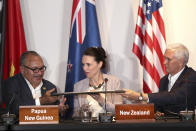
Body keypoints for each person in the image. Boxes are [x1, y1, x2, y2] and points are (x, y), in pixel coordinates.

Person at [122, 43, 196, 115]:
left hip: (185, 125)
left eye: (168, 59)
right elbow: (161, 105)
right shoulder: (163, 80)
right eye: (164, 58)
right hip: (166, 125)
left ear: (181, 61)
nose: (164, 62)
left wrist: (141, 96)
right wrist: (142, 103)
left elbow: (175, 97)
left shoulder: (191, 77)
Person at [3, 51, 68, 116]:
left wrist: (59, 111)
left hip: (45, 126)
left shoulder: (50, 87)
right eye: (35, 69)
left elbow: (53, 116)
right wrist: (41, 101)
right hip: (19, 126)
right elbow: (14, 109)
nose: (40, 73)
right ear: (23, 70)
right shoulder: (11, 84)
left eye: (42, 68)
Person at [73, 47, 123, 118]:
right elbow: (76, 115)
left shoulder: (114, 82)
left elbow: (120, 111)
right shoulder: (78, 86)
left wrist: (101, 100)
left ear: (99, 64)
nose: (84, 68)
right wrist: (80, 111)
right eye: (83, 64)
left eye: (88, 64)